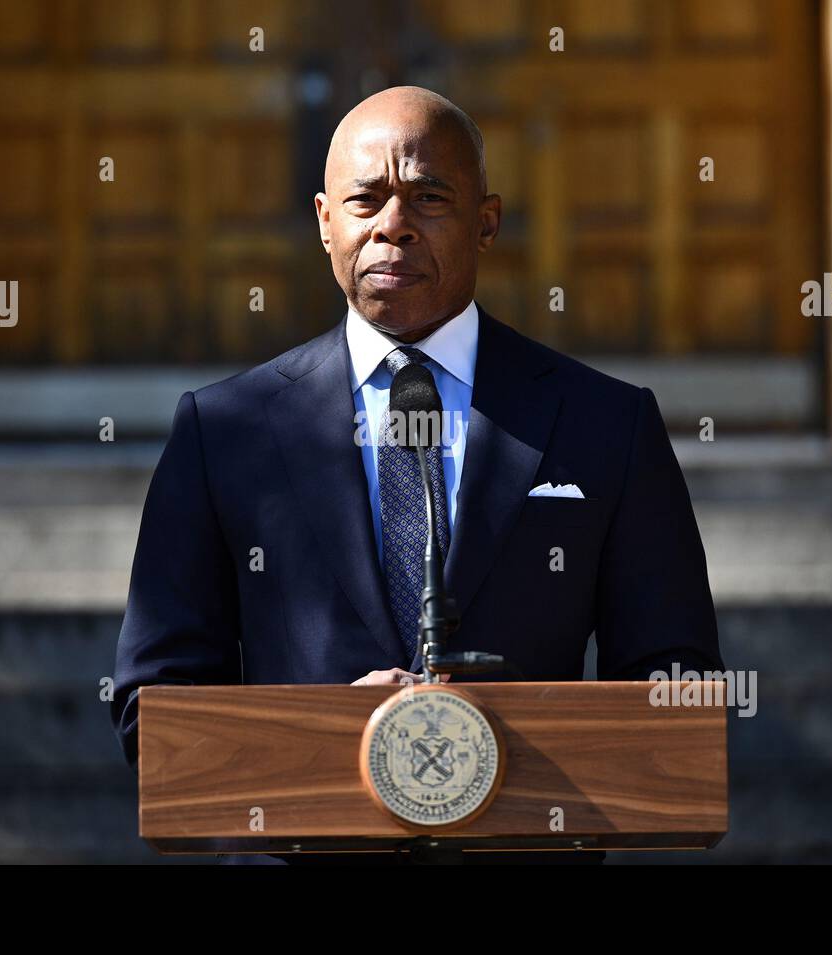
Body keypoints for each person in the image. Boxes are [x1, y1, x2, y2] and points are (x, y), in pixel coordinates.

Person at [111, 86, 724, 865]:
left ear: (487, 221)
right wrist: (340, 742)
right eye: (366, 199)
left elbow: (679, 690)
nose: (393, 224)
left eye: (429, 197)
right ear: (325, 222)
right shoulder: (223, 431)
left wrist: (493, 741)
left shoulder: (609, 423)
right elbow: (154, 707)